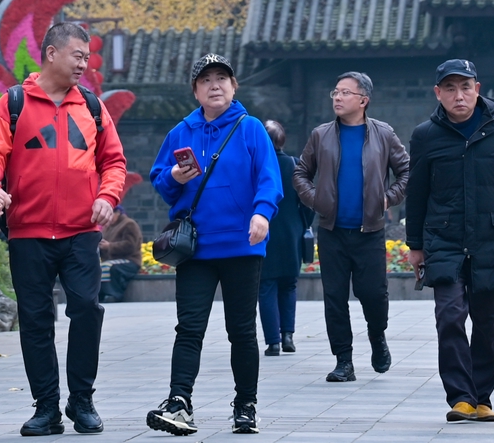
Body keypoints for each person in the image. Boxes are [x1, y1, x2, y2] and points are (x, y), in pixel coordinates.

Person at [0, 22, 128, 437]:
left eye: (87, 56)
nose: (84, 64)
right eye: (78, 55)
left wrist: (107, 197)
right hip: (28, 231)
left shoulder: (93, 107)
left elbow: (113, 162)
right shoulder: (14, 103)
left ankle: (81, 399)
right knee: (36, 319)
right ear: (50, 53)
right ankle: (46, 407)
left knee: (86, 309)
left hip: (82, 232)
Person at [145, 54, 282, 437]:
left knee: (241, 330)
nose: (215, 85)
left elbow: (269, 179)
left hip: (242, 244)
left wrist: (262, 214)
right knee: (189, 328)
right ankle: (179, 402)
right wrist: (174, 174)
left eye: (222, 78)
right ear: (196, 90)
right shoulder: (181, 131)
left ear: (234, 86)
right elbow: (161, 181)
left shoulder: (250, 128)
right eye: (206, 80)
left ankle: (245, 406)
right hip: (196, 249)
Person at [405, 59, 494, 424]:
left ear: (477, 89)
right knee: (449, 316)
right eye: (449, 88)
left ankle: (482, 396)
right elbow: (416, 193)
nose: (458, 95)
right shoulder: (426, 135)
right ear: (438, 94)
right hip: (444, 238)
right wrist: (415, 244)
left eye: (465, 87)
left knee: (487, 322)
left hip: (491, 236)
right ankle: (461, 397)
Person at [293, 70, 410, 381]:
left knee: (373, 294)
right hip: (332, 231)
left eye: (345, 92)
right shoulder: (321, 135)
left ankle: (377, 337)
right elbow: (300, 173)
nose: (337, 97)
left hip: (369, 231)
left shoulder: (383, 134)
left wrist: (388, 198)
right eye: (335, 91)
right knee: (334, 297)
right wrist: (316, 199)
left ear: (363, 100)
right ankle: (343, 360)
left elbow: (408, 171)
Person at [258, 120, 311, 357]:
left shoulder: (257, 167)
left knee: (266, 286)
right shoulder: (295, 165)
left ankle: (273, 342)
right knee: (289, 285)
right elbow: (309, 202)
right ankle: (288, 335)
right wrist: (304, 226)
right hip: (292, 233)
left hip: (264, 233)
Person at [98, 205, 144, 304]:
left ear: (118, 213)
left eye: (110, 215)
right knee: (97, 267)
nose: (108, 218)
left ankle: (113, 294)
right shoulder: (108, 227)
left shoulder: (129, 224)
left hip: (130, 260)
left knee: (108, 267)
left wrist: (109, 246)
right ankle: (100, 294)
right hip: (112, 260)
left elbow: (130, 245)